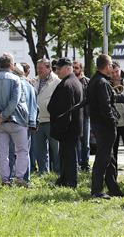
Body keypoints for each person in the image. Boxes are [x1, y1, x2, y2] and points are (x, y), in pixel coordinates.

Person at [0, 53, 31, 186]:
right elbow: (14, 101)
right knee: (22, 150)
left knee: (2, 153)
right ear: (11, 65)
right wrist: (4, 115)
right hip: (15, 120)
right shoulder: (16, 80)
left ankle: (5, 179)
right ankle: (20, 178)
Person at [88, 54, 124, 199]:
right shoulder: (102, 83)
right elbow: (106, 106)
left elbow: (112, 99)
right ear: (107, 66)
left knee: (110, 159)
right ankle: (97, 190)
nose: (112, 68)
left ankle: (113, 188)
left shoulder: (97, 80)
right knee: (102, 159)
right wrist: (113, 120)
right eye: (111, 65)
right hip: (104, 126)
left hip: (100, 125)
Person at [48, 58, 84, 188]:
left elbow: (65, 109)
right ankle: (64, 179)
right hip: (71, 127)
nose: (56, 71)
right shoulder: (73, 82)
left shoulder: (67, 84)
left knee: (69, 156)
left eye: (59, 68)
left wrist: (61, 128)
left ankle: (70, 182)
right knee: (66, 155)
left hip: (68, 128)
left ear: (68, 68)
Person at [31, 58, 61, 174]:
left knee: (56, 149)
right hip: (38, 120)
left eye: (41, 68)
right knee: (40, 150)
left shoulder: (57, 81)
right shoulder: (34, 81)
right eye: (37, 68)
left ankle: (58, 172)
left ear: (49, 68)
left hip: (51, 120)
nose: (39, 71)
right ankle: (43, 172)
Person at [74, 61, 91, 172]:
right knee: (76, 142)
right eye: (73, 68)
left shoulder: (87, 82)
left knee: (85, 142)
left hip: (85, 115)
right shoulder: (71, 81)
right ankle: (77, 164)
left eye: (76, 68)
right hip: (75, 115)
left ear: (81, 69)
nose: (74, 69)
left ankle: (85, 164)